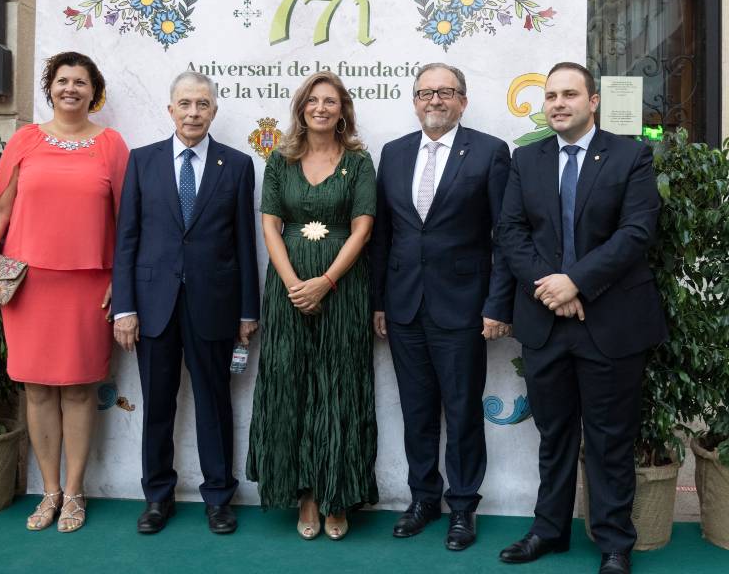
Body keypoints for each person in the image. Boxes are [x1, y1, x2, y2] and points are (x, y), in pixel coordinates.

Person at [496, 62, 667, 574]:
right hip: (546, 321)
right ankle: (548, 530)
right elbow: (511, 232)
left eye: (569, 94)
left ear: (593, 101)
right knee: (554, 434)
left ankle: (614, 541)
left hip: (612, 322)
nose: (558, 103)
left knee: (610, 437)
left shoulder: (630, 154)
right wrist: (553, 288)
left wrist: (577, 281)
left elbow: (636, 233)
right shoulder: (526, 159)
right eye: (550, 96)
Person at [0, 51, 129, 532]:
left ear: (93, 91)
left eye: (81, 82)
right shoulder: (24, 140)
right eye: (63, 81)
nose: (71, 89)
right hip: (27, 286)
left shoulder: (112, 145)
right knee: (36, 391)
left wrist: (121, 281)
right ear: (50, 87)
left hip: (88, 286)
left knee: (80, 391)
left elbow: (128, 223)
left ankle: (76, 492)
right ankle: (49, 492)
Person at [369, 63, 514, 551]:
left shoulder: (491, 152)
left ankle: (463, 507)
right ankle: (422, 498)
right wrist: (380, 303)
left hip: (464, 309)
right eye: (426, 92)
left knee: (463, 411)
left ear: (463, 101)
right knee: (417, 411)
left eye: (446, 92)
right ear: (414, 100)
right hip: (405, 307)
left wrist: (497, 304)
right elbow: (384, 237)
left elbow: (505, 235)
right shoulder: (393, 153)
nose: (435, 100)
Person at [111, 71, 259, 535]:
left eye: (202, 104)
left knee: (215, 405)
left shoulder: (236, 165)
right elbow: (127, 240)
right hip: (152, 307)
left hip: (214, 305)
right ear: (170, 109)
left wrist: (248, 310)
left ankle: (219, 497)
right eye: (185, 104)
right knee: (157, 405)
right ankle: (157, 496)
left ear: (214, 111)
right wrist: (124, 308)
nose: (193, 112)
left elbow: (244, 243)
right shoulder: (142, 161)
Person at [246, 71, 378, 540]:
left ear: (343, 110)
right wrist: (292, 284)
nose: (321, 108)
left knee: (339, 388)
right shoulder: (279, 161)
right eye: (313, 100)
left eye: (331, 101)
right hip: (288, 292)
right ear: (302, 107)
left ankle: (336, 494)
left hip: (343, 288)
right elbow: (269, 227)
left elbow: (362, 229)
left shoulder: (359, 163)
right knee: (292, 386)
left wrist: (323, 282)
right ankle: (304, 493)